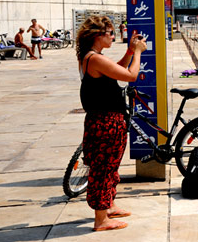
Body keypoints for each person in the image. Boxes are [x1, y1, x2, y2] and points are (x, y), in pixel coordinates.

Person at [77, 15, 146, 232]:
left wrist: (128, 52)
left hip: (106, 119)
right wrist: (137, 52)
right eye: (110, 33)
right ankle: (101, 219)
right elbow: (129, 75)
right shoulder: (94, 58)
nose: (114, 36)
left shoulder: (92, 57)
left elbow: (113, 69)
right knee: (103, 168)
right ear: (98, 36)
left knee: (111, 165)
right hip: (106, 121)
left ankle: (109, 205)